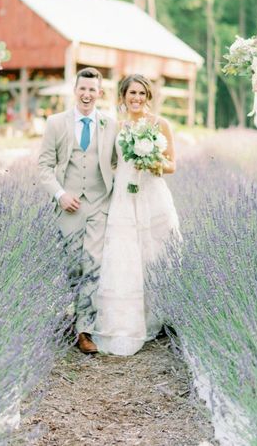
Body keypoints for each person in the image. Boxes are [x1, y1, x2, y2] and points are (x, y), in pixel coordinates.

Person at [91, 74, 181, 356]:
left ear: (148, 97)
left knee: (154, 253)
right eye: (132, 93)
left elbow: (172, 166)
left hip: (152, 196)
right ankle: (126, 321)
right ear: (123, 96)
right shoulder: (115, 127)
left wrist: (152, 159)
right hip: (124, 197)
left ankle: (159, 316)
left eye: (142, 93)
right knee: (125, 254)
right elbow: (110, 163)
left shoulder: (160, 124)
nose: (137, 98)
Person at [38, 67, 117, 354]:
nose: (87, 94)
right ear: (75, 90)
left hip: (99, 203)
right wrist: (59, 194)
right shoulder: (56, 123)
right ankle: (74, 316)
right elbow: (44, 166)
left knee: (93, 263)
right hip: (69, 206)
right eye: (82, 89)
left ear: (99, 93)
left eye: (92, 90)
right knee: (73, 266)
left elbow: (120, 162)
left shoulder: (111, 125)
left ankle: (85, 330)